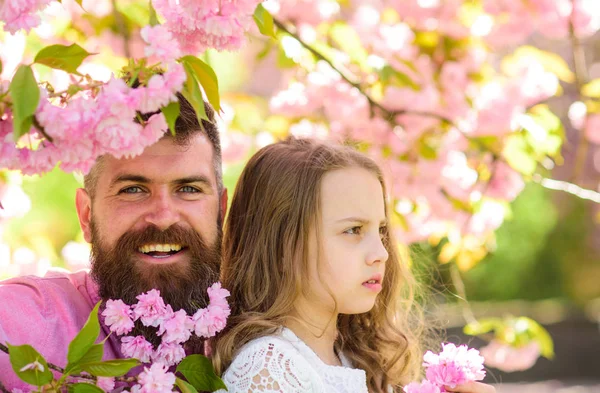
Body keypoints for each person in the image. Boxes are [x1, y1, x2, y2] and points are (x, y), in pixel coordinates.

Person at [211, 137, 495, 393]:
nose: (381, 253)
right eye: (353, 230)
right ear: (282, 245)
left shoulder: (351, 359)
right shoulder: (269, 370)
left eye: (381, 231)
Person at [0, 96, 227, 389]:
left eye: (188, 188)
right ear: (86, 216)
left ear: (221, 212)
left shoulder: (264, 338)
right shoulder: (24, 322)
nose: (163, 218)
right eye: (132, 189)